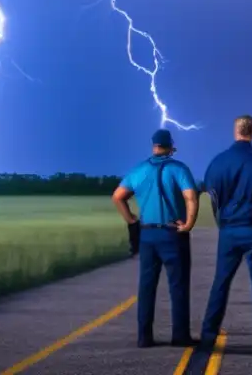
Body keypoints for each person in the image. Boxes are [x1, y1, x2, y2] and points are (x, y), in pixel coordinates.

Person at [200, 115, 252, 356]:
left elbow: (213, 196)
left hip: (229, 230)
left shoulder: (218, 162)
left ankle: (208, 337)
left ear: (235, 131)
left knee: (221, 282)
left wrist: (221, 220)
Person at [112, 128, 199, 348]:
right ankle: (179, 336)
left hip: (147, 234)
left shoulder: (139, 170)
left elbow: (118, 197)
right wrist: (188, 223)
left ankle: (144, 336)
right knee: (178, 286)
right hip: (172, 234)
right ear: (170, 146)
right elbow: (191, 197)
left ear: (153, 146)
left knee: (146, 286)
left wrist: (131, 219)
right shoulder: (178, 168)